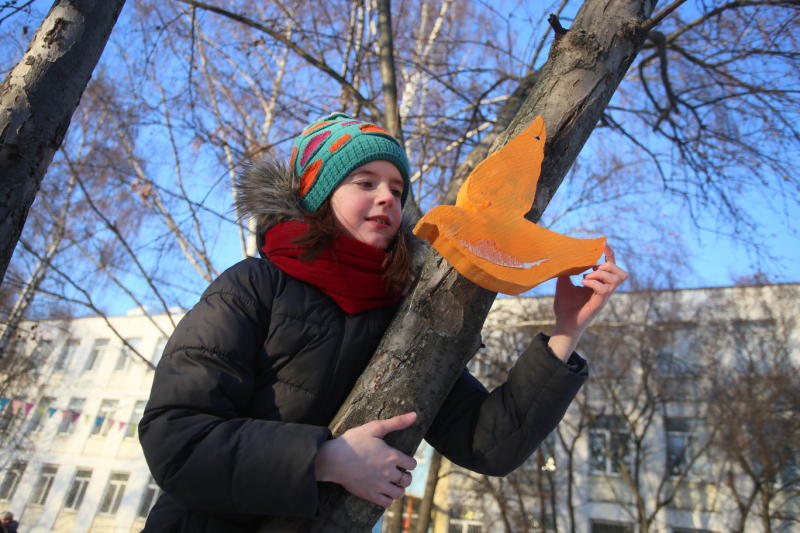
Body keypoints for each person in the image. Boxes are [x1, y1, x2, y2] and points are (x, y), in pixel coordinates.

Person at [138, 112, 627, 532]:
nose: (388, 197)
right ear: (318, 195)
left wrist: (567, 330)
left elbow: (488, 444)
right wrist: (324, 459)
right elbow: (175, 437)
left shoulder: (403, 319)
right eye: (365, 182)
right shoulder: (253, 285)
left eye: (397, 187)